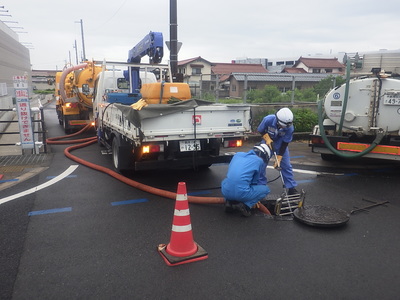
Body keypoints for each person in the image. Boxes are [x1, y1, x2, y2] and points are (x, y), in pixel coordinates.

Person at [221, 144, 271, 217]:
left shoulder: (237, 155)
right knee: (266, 189)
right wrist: (254, 198)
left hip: (225, 191)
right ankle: (245, 206)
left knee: (227, 181)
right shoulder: (259, 161)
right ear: (262, 154)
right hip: (241, 194)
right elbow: (254, 182)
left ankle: (229, 202)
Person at [257, 107, 298, 195]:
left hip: (280, 145)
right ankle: (260, 186)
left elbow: (285, 142)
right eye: (283, 125)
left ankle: (291, 187)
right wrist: (266, 138)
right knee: (261, 164)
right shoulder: (268, 119)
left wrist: (279, 157)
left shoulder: (289, 127)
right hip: (267, 143)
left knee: (286, 165)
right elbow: (260, 130)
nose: (284, 127)